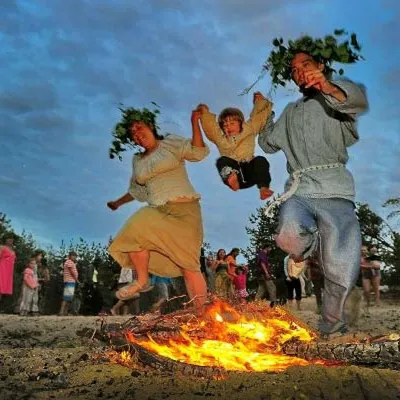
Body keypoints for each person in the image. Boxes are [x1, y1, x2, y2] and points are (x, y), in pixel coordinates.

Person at [258, 51, 368, 335]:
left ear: (320, 66)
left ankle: (332, 328)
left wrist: (328, 86)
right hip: (301, 187)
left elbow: (355, 102)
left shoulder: (336, 98)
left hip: (336, 188)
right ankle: (304, 252)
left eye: (305, 64)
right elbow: (269, 144)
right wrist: (264, 114)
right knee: (288, 232)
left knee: (340, 267)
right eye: (293, 70)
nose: (299, 72)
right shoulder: (290, 111)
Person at [107, 106, 210, 311]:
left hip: (185, 212)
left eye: (139, 127)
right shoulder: (138, 161)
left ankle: (204, 314)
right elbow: (137, 191)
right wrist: (118, 203)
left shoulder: (170, 143)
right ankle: (142, 280)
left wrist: (194, 122)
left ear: (151, 126)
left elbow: (198, 152)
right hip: (160, 212)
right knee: (137, 227)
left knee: (189, 267)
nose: (137, 134)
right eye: (132, 133)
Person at [196, 92, 273, 200]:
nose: (228, 127)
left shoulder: (249, 128)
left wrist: (261, 102)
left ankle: (263, 188)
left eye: (232, 124)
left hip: (250, 171)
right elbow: (211, 129)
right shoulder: (220, 138)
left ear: (241, 123)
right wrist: (204, 112)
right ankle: (231, 177)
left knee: (260, 160)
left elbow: (260, 118)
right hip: (235, 172)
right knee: (222, 160)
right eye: (225, 125)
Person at [59, 251, 79, 316]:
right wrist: (76, 279)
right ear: (70, 256)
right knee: (66, 297)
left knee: (69, 297)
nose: (75, 257)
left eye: (75, 256)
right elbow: (72, 271)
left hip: (70, 280)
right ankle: (61, 312)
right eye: (74, 256)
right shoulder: (69, 262)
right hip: (70, 280)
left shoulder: (70, 262)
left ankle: (65, 312)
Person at [0, 233, 17, 306]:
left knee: (2, 289)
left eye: (11, 238)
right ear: (5, 239)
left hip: (9, 272)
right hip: (2, 269)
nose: (10, 240)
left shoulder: (13, 250)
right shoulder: (1, 247)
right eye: (8, 238)